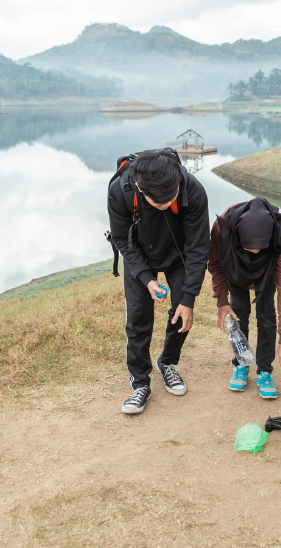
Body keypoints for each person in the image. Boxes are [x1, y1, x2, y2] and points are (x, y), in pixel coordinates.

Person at [107, 149, 210, 414]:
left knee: (182, 313)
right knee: (139, 318)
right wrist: (146, 278)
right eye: (158, 202)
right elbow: (121, 239)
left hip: (178, 256)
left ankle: (167, 362)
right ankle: (140, 381)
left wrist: (188, 299)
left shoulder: (193, 190)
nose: (165, 204)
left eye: (171, 198)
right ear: (141, 189)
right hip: (138, 253)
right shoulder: (121, 190)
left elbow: (199, 247)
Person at [208, 196, 281, 399]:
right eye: (249, 247)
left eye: (259, 247)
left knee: (266, 314)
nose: (255, 251)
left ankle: (264, 370)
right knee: (239, 313)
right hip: (234, 266)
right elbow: (215, 265)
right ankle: (241, 363)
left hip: (267, 269)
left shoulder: (279, 236)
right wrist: (222, 300)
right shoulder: (222, 227)